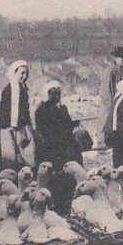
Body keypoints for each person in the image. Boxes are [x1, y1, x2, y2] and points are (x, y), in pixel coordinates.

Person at [34, 81, 83, 212]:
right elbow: (43, 130)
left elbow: (67, 125)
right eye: (52, 91)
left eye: (58, 92)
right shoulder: (42, 109)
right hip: (53, 148)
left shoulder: (62, 108)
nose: (56, 94)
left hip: (65, 147)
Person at [0, 60, 35, 171]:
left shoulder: (19, 87)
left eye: (26, 73)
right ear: (14, 73)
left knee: (13, 159)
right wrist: (19, 130)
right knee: (20, 157)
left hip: (13, 127)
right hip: (14, 128)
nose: (24, 76)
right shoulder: (15, 88)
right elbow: (14, 111)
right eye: (22, 73)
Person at [100, 46, 123, 131]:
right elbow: (105, 94)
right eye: (121, 58)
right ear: (116, 58)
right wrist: (112, 110)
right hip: (113, 111)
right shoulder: (110, 72)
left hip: (122, 110)